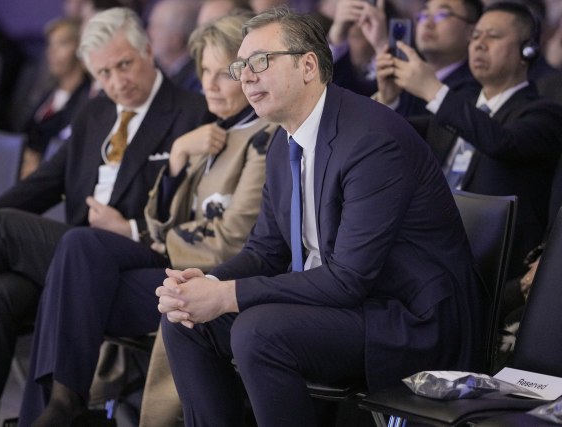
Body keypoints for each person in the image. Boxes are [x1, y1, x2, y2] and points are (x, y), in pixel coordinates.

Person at [157, 7, 485, 426]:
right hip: (341, 306)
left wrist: (226, 296)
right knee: (185, 321)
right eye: (241, 67)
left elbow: (349, 279)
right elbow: (265, 252)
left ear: (308, 66)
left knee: (257, 330)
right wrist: (203, 285)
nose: (246, 77)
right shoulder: (281, 144)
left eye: (260, 62)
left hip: (405, 319)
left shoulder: (372, 140)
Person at [0, 7, 210, 427]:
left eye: (125, 64)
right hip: (74, 258)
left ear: (148, 51)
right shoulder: (95, 113)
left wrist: (130, 227)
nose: (117, 81)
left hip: (138, 257)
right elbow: (44, 183)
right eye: (104, 73)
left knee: (3, 227)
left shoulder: (191, 112)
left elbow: (192, 211)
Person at [18, 12, 277, 426]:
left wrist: (155, 238)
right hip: (178, 266)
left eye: (224, 73)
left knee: (72, 279)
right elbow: (164, 219)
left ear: (249, 74)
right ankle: (62, 407)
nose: (210, 84)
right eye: (204, 71)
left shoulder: (264, 139)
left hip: (214, 279)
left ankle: (57, 410)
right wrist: (178, 157)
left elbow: (229, 239)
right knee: (76, 256)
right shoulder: (216, 132)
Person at [388, 1, 562, 277]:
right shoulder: (458, 108)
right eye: (476, 36)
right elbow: (398, 133)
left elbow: (501, 142)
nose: (479, 44)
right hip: (429, 254)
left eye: (493, 36)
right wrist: (388, 98)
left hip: (491, 271)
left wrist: (434, 90)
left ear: (527, 50)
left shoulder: (545, 114)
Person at [372, 0, 483, 117]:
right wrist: (389, 101)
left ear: (471, 32)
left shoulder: (476, 87)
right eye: (424, 15)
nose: (427, 23)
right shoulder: (405, 78)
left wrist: (430, 89)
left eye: (442, 14)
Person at [20, 17, 91, 177]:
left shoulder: (87, 98)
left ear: (80, 48)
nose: (52, 51)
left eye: (62, 43)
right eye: (50, 44)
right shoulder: (47, 94)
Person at [147, 0, 202, 93]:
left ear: (175, 39)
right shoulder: (155, 70)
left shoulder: (195, 81)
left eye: (157, 27)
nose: (149, 32)